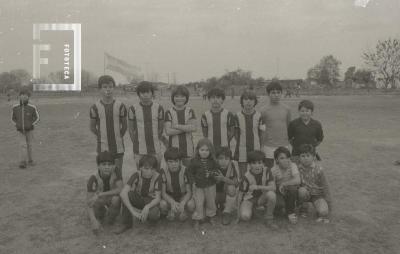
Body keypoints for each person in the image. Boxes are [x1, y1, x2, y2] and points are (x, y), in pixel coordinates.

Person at [90, 75, 127, 179]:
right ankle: (105, 192)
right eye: (105, 87)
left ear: (113, 88)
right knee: (104, 173)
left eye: (110, 87)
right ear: (100, 89)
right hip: (103, 146)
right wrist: (101, 135)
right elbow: (92, 127)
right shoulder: (95, 107)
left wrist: (117, 136)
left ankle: (118, 193)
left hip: (118, 146)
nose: (108, 89)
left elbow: (124, 126)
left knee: (118, 172)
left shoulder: (120, 105)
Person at [116, 155, 162, 234]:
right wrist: (133, 211)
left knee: (154, 214)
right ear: (140, 168)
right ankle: (126, 223)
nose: (149, 172)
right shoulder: (136, 175)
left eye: (152, 169)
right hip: (139, 198)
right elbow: (123, 193)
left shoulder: (158, 176)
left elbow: (158, 198)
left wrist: (147, 207)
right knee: (128, 195)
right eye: (146, 169)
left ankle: (151, 220)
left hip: (150, 201)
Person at [128, 81, 166, 167]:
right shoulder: (133, 108)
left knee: (156, 171)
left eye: (148, 92)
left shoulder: (159, 108)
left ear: (152, 93)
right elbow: (130, 129)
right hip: (139, 149)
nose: (145, 95)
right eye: (142, 92)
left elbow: (160, 128)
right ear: (138, 94)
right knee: (141, 172)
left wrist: (156, 139)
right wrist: (136, 142)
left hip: (155, 148)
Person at [236, 150, 278, 229]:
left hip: (262, 198)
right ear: (249, 164)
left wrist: (257, 187)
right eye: (254, 163)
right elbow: (240, 194)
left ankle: (269, 219)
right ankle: (252, 209)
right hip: (249, 199)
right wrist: (238, 213)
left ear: (263, 163)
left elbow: (273, 187)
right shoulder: (246, 176)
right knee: (245, 217)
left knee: (271, 195)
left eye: (259, 163)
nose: (257, 166)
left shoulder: (267, 171)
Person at [86, 151, 123, 234]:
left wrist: (100, 194)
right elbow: (89, 203)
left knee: (116, 199)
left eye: (109, 165)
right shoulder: (93, 179)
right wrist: (93, 220)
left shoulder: (116, 171)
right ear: (98, 166)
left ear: (114, 166)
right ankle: (100, 213)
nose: (107, 167)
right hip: (100, 200)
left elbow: (120, 189)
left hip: (107, 197)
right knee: (94, 216)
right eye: (104, 164)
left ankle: (110, 218)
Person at [188, 138, 220, 229]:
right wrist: (193, 182)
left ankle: (211, 217)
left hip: (210, 185)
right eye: (202, 150)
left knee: (211, 202)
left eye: (207, 150)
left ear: (210, 151)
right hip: (198, 186)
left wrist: (211, 173)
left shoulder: (213, 161)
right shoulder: (194, 161)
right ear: (198, 150)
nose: (204, 152)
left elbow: (216, 171)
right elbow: (189, 173)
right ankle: (198, 219)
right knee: (199, 202)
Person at [234, 90, 265, 177]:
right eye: (245, 99)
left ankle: (255, 188)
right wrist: (241, 143)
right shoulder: (237, 116)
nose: (248, 101)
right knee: (243, 174)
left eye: (251, 99)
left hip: (256, 147)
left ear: (255, 102)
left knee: (256, 172)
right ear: (241, 101)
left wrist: (261, 147)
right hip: (242, 148)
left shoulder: (259, 116)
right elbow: (236, 133)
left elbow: (262, 133)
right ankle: (244, 189)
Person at [297, 144, 331, 223]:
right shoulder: (297, 168)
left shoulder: (319, 169)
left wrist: (328, 202)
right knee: (301, 191)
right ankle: (303, 208)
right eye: (303, 156)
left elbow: (326, 186)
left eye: (308, 155)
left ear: (313, 157)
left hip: (317, 195)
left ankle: (320, 209)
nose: (305, 158)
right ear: (299, 157)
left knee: (324, 212)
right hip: (306, 193)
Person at [260, 81, 291, 169]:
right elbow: (262, 130)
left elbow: (289, 127)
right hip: (269, 146)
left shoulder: (287, 109)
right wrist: (262, 146)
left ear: (281, 93)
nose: (276, 95)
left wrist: (288, 144)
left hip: (284, 145)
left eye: (278, 92)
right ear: (268, 94)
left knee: (284, 171)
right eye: (273, 93)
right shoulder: (263, 110)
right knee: (269, 171)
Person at [159, 147, 195, 221]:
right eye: (170, 162)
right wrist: (172, 202)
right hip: (170, 196)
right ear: (166, 162)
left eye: (176, 161)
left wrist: (183, 202)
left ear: (180, 161)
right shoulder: (163, 171)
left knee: (191, 205)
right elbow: (163, 193)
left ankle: (183, 210)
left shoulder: (185, 170)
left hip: (182, 195)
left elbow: (189, 192)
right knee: (162, 204)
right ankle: (170, 210)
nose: (173, 164)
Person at [164, 86, 197, 166]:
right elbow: (168, 132)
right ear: (173, 98)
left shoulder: (190, 111)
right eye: (176, 96)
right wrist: (186, 128)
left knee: (188, 172)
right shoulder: (169, 112)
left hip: (188, 149)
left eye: (182, 96)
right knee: (175, 172)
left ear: (186, 98)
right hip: (174, 149)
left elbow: (194, 128)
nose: (179, 99)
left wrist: (176, 126)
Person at [11, 86, 40, 168]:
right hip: (20, 131)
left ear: (28, 97)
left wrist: (31, 124)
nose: (23, 96)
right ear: (19, 96)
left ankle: (30, 160)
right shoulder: (15, 108)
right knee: (22, 145)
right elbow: (13, 118)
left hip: (29, 130)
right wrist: (17, 125)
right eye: (22, 95)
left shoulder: (32, 108)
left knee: (29, 145)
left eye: (26, 95)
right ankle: (23, 162)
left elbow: (37, 118)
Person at [271, 147, 300, 224]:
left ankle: (290, 212)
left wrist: (284, 184)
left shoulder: (292, 165)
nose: (286, 160)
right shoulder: (273, 169)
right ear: (277, 160)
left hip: (290, 190)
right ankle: (282, 206)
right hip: (279, 191)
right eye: (282, 158)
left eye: (287, 158)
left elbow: (298, 180)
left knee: (292, 189)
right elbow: (272, 187)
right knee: (279, 206)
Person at [215, 147, 240, 225]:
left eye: (226, 159)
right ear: (216, 159)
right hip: (214, 194)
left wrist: (223, 178)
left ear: (230, 159)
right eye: (221, 158)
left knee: (232, 189)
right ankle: (214, 209)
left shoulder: (233, 165)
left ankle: (227, 212)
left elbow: (236, 183)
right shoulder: (213, 165)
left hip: (225, 192)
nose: (223, 161)